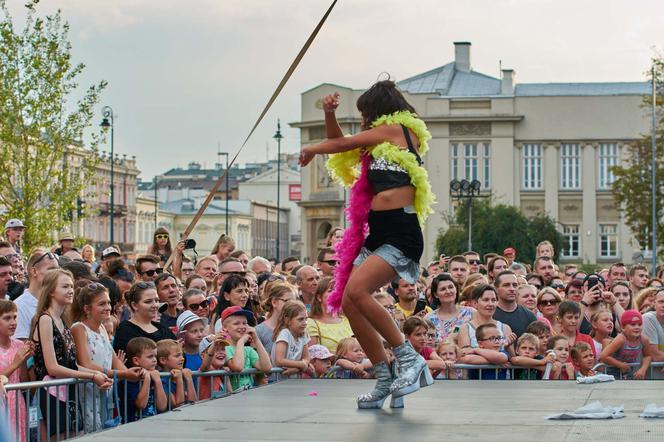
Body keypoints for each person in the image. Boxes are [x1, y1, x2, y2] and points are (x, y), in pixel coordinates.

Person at [299, 83, 436, 408]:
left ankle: (408, 358)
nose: (363, 119)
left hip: (400, 231)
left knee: (359, 291)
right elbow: (342, 145)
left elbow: (339, 142)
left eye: (364, 113)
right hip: (375, 230)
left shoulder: (397, 129)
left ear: (378, 108)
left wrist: (313, 148)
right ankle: (385, 376)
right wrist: (329, 114)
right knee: (349, 300)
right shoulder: (377, 140)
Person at [30, 269, 112, 438]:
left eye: (71, 286)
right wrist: (91, 376)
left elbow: (72, 364)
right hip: (50, 393)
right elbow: (52, 367)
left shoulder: (63, 321)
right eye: (65, 286)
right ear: (51, 291)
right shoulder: (45, 319)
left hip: (68, 393)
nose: (70, 290)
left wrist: (96, 373)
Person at [0, 299, 33, 442]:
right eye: (7, 318)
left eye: (14, 317)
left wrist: (25, 360)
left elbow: (24, 381)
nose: (13, 322)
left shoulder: (19, 345)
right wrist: (16, 362)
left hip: (18, 404)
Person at [113, 282, 176, 354]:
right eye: (148, 302)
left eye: (156, 300)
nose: (155, 305)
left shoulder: (162, 329)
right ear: (134, 305)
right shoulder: (125, 331)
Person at [457, 284, 516, 356]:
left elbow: (512, 358)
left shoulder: (505, 328)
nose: (490, 304)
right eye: (486, 300)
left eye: (493, 300)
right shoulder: (465, 328)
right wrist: (498, 359)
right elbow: (464, 356)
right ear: (475, 303)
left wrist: (508, 348)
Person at [223, 306, 271, 391]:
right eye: (236, 323)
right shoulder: (224, 347)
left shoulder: (248, 350)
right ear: (225, 328)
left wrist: (256, 339)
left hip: (248, 396)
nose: (242, 326)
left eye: (244, 323)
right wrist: (241, 342)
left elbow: (266, 367)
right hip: (231, 399)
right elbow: (237, 367)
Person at [14, 250, 59, 340]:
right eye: (51, 270)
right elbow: (23, 349)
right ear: (34, 271)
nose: (57, 274)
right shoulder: (19, 307)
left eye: (58, 270)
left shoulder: (57, 301)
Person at [123, 337, 168, 422]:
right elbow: (141, 404)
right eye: (150, 357)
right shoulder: (130, 380)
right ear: (136, 360)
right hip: (133, 427)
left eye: (155, 356)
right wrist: (147, 379)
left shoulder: (155, 376)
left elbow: (162, 406)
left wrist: (158, 381)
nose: (155, 360)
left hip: (154, 424)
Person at [600, 309, 652, 379]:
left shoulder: (644, 339)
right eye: (633, 324)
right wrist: (620, 365)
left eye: (640, 324)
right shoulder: (621, 339)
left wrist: (643, 369)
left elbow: (647, 356)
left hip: (629, 373)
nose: (637, 327)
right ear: (623, 327)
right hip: (611, 374)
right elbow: (603, 356)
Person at [306, 277, 353, 353]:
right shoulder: (311, 323)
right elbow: (312, 355)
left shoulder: (347, 319)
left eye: (338, 290)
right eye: (330, 291)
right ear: (319, 297)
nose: (335, 293)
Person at [425, 273, 473, 343]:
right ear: (435, 294)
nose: (448, 291)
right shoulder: (429, 318)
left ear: (456, 289)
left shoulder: (470, 313)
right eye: (443, 289)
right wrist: (451, 338)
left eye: (451, 287)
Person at [270, 300, 311, 378]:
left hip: (295, 380)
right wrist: (301, 365)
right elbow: (279, 360)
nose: (305, 322)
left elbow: (306, 357)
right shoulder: (285, 334)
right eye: (300, 319)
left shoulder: (303, 334)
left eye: (306, 318)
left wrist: (297, 368)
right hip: (279, 381)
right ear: (287, 320)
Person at [256, 283, 297, 356]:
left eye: (294, 302)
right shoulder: (259, 330)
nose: (292, 305)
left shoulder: (297, 327)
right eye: (288, 301)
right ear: (274, 302)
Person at [492, 271, 537, 338]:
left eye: (515, 285)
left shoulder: (529, 316)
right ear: (496, 289)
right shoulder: (490, 314)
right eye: (506, 285)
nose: (512, 289)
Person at [156, 339, 196, 408]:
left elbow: (194, 403)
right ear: (163, 360)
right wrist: (179, 379)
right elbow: (178, 406)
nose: (182, 358)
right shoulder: (162, 380)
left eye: (182, 355)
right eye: (177, 356)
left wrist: (189, 379)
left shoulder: (185, 374)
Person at [197, 334, 231, 400]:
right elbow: (205, 366)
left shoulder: (222, 371)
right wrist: (213, 345)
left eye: (223, 349)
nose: (221, 352)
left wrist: (226, 378)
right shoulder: (206, 370)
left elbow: (230, 395)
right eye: (215, 349)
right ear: (203, 356)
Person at [642, 288, 664, 379]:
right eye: (661, 302)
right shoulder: (648, 319)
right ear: (654, 303)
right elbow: (654, 355)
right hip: (650, 382)